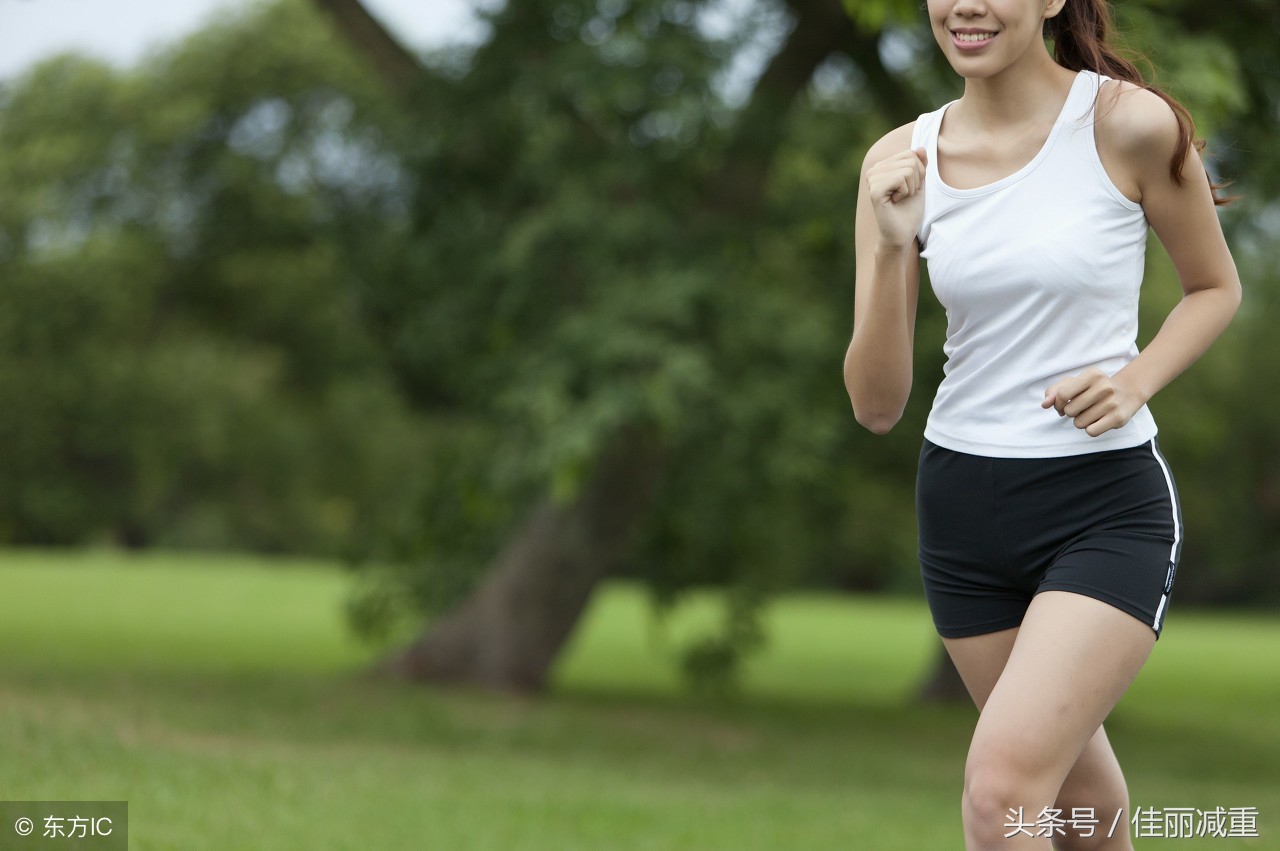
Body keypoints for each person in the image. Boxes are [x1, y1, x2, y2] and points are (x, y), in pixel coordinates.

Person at [842, 0, 1241, 848]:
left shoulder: (1128, 125)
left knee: (1000, 795)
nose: (967, 6)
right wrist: (888, 244)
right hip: (961, 510)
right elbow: (875, 405)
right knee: (1080, 810)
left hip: (1103, 504)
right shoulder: (896, 160)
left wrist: (1134, 381)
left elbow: (1215, 288)